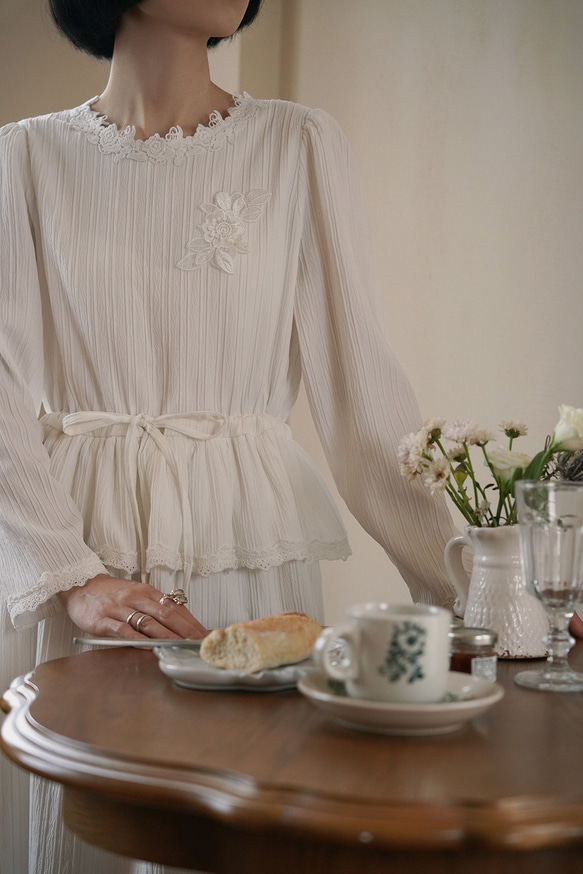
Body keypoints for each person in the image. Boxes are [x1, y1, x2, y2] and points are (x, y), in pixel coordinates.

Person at [1, 1, 577, 872]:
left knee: (239, 823)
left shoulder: (298, 142)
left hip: (246, 549)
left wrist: (490, 595)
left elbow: (364, 398)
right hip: (80, 545)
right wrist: (69, 575)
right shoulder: (24, 156)